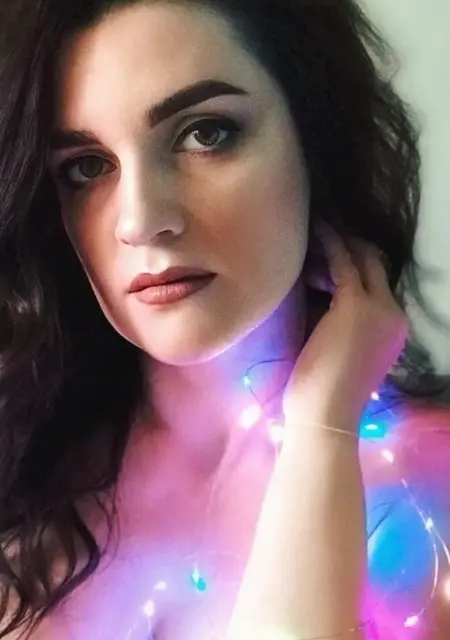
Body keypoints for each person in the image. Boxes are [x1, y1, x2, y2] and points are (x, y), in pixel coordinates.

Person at [0, 0, 449, 638]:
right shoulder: (26, 457)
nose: (141, 220)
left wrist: (321, 429)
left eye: (205, 133)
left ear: (314, 138)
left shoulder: (426, 484)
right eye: (87, 167)